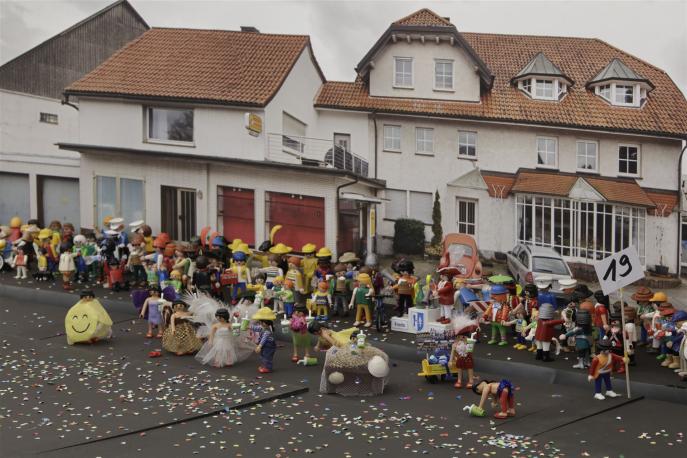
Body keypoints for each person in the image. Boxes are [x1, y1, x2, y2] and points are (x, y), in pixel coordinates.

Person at [251, 307, 277, 373]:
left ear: (265, 323)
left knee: (267, 356)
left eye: (261, 322)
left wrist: (259, 346)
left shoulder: (267, 331)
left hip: (269, 345)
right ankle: (264, 366)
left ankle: (268, 368)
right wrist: (248, 327)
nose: (260, 324)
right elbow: (257, 328)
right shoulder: (263, 328)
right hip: (265, 345)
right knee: (263, 355)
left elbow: (264, 339)